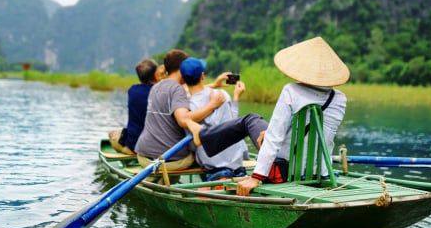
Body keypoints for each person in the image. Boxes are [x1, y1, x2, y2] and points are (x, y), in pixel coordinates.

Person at [189, 36, 349, 196]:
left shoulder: (292, 91)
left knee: (250, 120)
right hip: (317, 171)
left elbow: (274, 139)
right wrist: (275, 131)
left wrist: (256, 177)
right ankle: (203, 136)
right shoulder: (340, 99)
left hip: (285, 170)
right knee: (259, 125)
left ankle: (201, 137)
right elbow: (321, 135)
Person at [134, 49, 223, 172]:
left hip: (143, 155)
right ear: (182, 68)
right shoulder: (177, 89)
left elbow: (186, 91)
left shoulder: (156, 86)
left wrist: (214, 85)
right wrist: (212, 105)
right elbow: (183, 120)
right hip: (168, 160)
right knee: (202, 154)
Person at [180, 57, 249, 182]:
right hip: (236, 165)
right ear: (202, 76)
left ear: (183, 79)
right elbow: (234, 124)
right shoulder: (221, 95)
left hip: (213, 168)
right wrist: (236, 96)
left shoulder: (183, 107)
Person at [108, 58, 162, 154]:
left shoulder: (132, 90)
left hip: (134, 144)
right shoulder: (162, 92)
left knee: (112, 133)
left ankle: (129, 151)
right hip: (156, 145)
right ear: (155, 75)